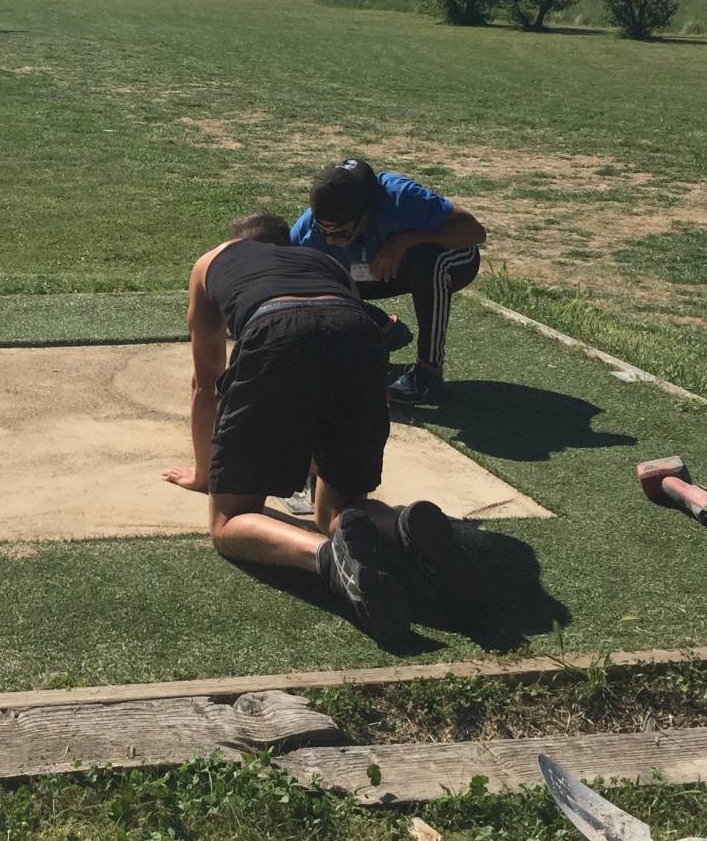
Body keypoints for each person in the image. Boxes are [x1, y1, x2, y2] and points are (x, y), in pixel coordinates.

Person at [161, 211, 461, 641]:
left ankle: (325, 557)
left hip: (275, 329)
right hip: (357, 335)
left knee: (230, 523)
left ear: (236, 241)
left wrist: (205, 475)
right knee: (335, 510)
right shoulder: (324, 263)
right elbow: (338, 340)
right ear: (286, 245)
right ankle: (400, 525)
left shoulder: (212, 261)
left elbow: (205, 382)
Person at [290, 158, 488, 407]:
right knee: (312, 278)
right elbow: (285, 278)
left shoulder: (401, 197)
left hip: (452, 260)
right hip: (369, 269)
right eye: (323, 230)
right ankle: (381, 328)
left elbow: (475, 232)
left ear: (366, 213)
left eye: (340, 233)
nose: (329, 240)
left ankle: (428, 373)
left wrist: (405, 241)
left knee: (427, 262)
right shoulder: (308, 229)